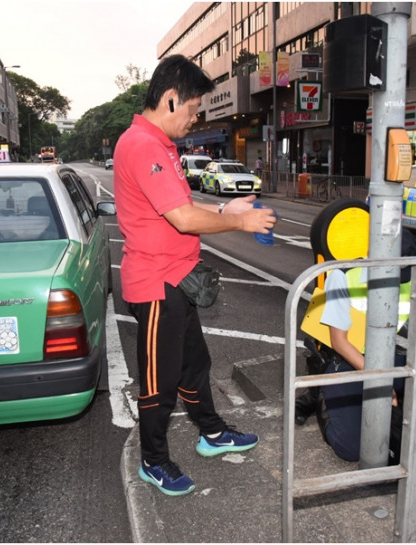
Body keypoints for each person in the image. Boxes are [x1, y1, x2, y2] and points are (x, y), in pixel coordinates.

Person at [114, 55, 277, 497]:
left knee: (194, 365)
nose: (196, 118)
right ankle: (154, 460)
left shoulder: (158, 144)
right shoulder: (143, 145)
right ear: (170, 99)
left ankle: (211, 432)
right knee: (159, 382)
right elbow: (184, 219)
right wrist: (240, 223)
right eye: (192, 109)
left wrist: (225, 209)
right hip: (154, 284)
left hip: (176, 278)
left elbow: (177, 209)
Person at [296, 229, 416, 464]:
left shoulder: (413, 277)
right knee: (351, 449)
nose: (400, 277)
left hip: (391, 357)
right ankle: (320, 394)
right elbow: (339, 342)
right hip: (350, 361)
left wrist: (406, 373)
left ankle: (380, 401)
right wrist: (383, 380)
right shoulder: (343, 275)